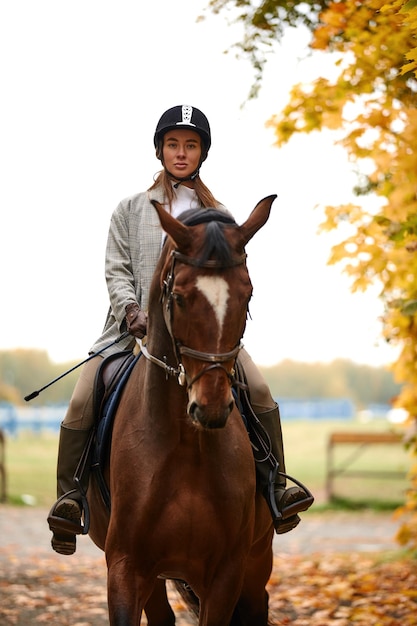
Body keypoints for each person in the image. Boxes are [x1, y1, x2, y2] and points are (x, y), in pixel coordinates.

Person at [47, 104, 314, 555]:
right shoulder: (130, 209)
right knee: (81, 398)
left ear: (202, 153)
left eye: (190, 145)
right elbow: (116, 270)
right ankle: (70, 500)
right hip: (131, 336)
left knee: (262, 391)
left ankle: (276, 488)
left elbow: (228, 277)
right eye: (173, 144)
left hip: (203, 339)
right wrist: (132, 312)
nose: (181, 153)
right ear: (159, 150)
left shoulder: (222, 213)